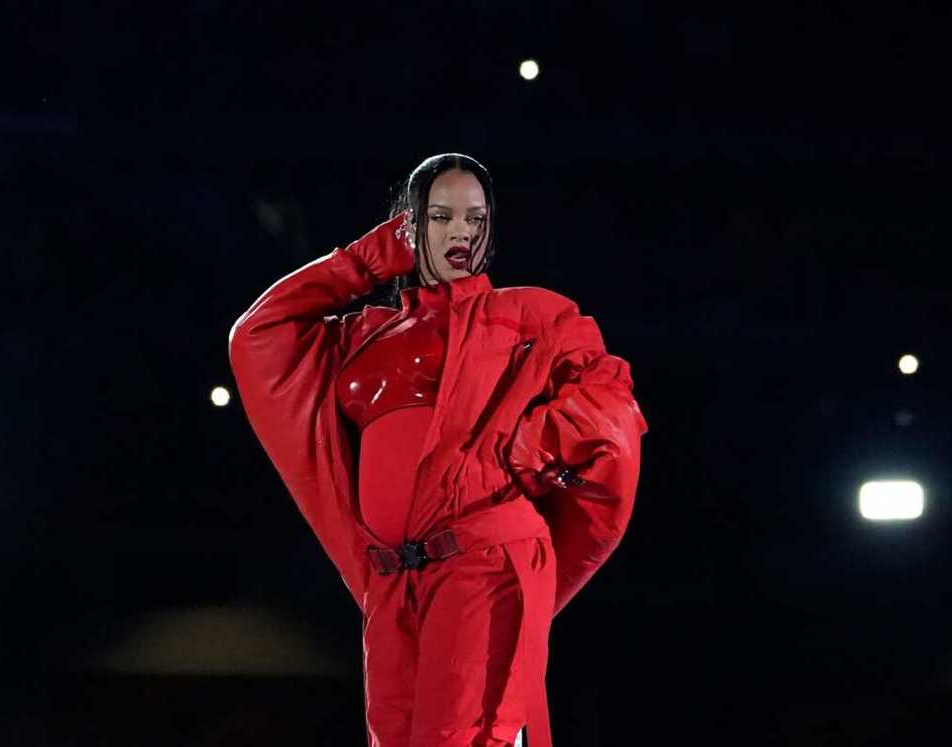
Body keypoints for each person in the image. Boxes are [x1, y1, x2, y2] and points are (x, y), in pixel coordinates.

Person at [228, 153, 647, 747]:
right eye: (440, 216)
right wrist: (367, 260)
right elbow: (258, 335)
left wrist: (523, 446)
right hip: (394, 581)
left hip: (484, 562)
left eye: (476, 220)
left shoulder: (533, 315)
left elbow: (612, 408)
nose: (460, 233)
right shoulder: (361, 334)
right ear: (407, 227)